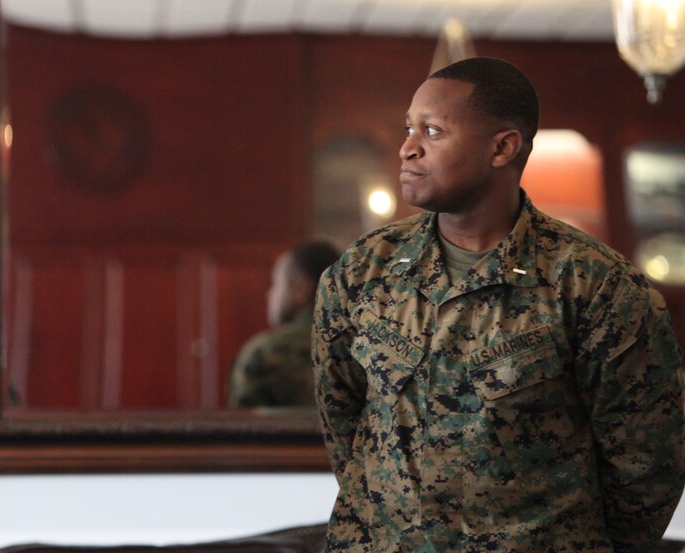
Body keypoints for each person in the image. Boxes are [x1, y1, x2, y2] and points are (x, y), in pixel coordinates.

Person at [313, 57, 685, 552]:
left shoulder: (596, 285)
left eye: (432, 130)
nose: (407, 148)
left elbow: (646, 465)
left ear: (502, 147)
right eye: (409, 128)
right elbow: (344, 427)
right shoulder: (363, 270)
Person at [228, 240, 340, 408]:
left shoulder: (266, 352)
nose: (269, 294)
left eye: (275, 283)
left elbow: (242, 427)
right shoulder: (368, 345)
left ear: (301, 290)